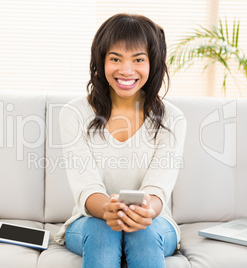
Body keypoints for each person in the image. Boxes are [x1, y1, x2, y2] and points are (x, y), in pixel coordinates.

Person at [54, 13, 187, 268]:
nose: (126, 70)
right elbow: (86, 186)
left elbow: (158, 189)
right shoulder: (74, 113)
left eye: (138, 59)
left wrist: (143, 213)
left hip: (154, 222)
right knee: (105, 229)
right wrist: (108, 210)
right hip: (90, 222)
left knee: (143, 231)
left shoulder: (173, 118)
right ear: (100, 61)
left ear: (153, 63)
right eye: (115, 58)